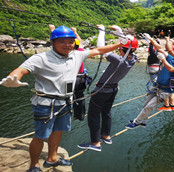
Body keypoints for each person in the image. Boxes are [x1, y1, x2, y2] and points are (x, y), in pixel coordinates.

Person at [0, 25, 129, 172]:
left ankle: (52, 158)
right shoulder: (40, 58)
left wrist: (120, 44)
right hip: (46, 104)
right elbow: (22, 70)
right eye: (62, 41)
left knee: (58, 131)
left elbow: (99, 50)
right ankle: (34, 165)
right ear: (53, 42)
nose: (67, 45)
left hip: (66, 102)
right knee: (40, 136)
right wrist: (13, 78)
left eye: (70, 41)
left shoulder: (76, 55)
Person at [77, 25, 139, 151]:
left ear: (121, 47)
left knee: (93, 116)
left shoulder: (118, 60)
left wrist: (101, 31)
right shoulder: (132, 59)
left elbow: (101, 48)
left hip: (102, 91)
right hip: (112, 90)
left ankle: (95, 143)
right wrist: (120, 32)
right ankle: (106, 136)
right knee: (106, 112)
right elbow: (127, 46)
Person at [125, 33, 174, 129]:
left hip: (165, 91)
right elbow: (160, 49)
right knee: (146, 104)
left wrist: (163, 60)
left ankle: (137, 122)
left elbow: (171, 69)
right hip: (156, 85)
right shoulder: (171, 58)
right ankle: (143, 121)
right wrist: (151, 39)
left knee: (150, 106)